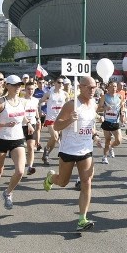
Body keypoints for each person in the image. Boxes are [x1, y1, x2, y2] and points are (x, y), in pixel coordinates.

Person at [43, 75, 99, 231]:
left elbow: (90, 125)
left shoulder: (93, 104)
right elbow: (56, 125)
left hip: (86, 149)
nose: (92, 90)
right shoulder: (71, 105)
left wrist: (95, 135)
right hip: (68, 149)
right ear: (80, 87)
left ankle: (82, 219)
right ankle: (50, 178)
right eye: (88, 87)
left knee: (87, 182)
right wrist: (69, 120)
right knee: (63, 182)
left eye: (94, 87)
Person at [0, 75, 28, 211]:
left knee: (20, 171)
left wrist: (29, 123)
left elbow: (23, 116)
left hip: (18, 139)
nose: (18, 87)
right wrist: (5, 124)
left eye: (19, 85)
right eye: (14, 85)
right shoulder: (0, 102)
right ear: (7, 86)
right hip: (2, 139)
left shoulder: (22, 101)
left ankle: (7, 192)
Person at [40, 78, 69, 164]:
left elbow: (68, 105)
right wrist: (40, 111)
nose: (61, 84)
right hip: (50, 119)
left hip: (61, 119)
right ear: (55, 83)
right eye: (59, 82)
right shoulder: (49, 93)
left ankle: (47, 154)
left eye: (62, 83)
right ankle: (46, 149)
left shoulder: (65, 94)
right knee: (55, 137)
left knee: (57, 139)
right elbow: (40, 102)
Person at [97, 81, 125, 163]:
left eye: (115, 86)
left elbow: (122, 107)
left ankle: (110, 147)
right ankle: (104, 157)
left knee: (119, 140)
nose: (114, 88)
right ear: (108, 88)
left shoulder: (120, 96)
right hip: (107, 121)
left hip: (115, 121)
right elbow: (98, 108)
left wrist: (123, 113)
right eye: (112, 86)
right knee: (108, 139)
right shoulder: (104, 97)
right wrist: (104, 108)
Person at [22, 80, 42, 176]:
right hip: (22, 125)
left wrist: (38, 119)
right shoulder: (21, 100)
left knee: (30, 147)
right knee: (20, 148)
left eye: (32, 89)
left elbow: (36, 110)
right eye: (28, 89)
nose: (30, 91)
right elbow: (21, 114)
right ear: (25, 89)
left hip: (32, 125)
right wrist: (28, 122)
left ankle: (30, 166)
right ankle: (20, 166)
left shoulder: (35, 100)